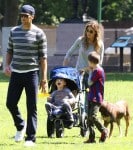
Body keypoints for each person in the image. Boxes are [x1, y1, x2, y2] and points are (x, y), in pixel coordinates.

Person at [4, 5, 47, 146]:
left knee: (31, 106)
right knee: (10, 103)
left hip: (32, 73)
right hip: (16, 73)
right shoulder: (14, 32)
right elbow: (9, 50)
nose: (23, 18)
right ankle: (20, 125)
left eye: (26, 16)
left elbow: (43, 58)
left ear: (32, 16)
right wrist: (7, 65)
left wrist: (44, 79)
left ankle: (30, 138)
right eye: (22, 16)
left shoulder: (39, 33)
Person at [84, 51, 108, 143]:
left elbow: (90, 82)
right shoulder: (96, 70)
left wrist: (90, 71)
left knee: (93, 116)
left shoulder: (97, 71)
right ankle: (91, 138)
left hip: (96, 98)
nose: (88, 63)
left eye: (89, 62)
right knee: (89, 118)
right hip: (91, 96)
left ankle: (103, 130)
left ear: (91, 62)